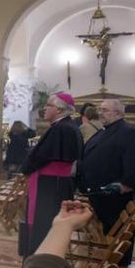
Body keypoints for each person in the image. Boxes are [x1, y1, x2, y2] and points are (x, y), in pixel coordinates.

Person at [78, 98, 135, 266]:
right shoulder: (105, 130)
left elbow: (132, 160)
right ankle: (109, 255)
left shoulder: (127, 132)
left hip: (114, 191)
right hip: (100, 190)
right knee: (107, 225)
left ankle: (119, 260)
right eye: (101, 109)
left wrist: (126, 184)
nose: (100, 112)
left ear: (118, 113)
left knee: (117, 226)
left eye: (105, 110)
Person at [18, 91, 81, 256]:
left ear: (59, 109)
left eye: (48, 105)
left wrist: (25, 169)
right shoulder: (68, 126)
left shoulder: (61, 128)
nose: (44, 108)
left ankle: (39, 255)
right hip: (57, 182)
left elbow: (41, 156)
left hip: (49, 185)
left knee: (43, 222)